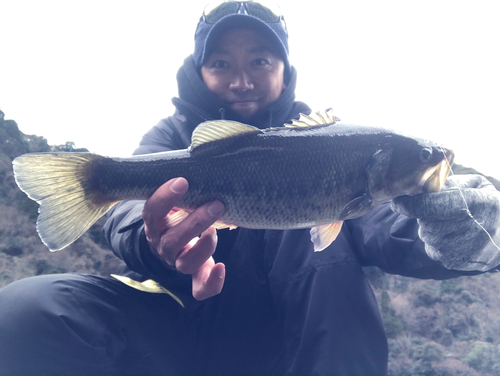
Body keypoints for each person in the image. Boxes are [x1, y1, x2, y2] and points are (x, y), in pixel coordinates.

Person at [1, 2, 500, 375]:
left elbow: (387, 224)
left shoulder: (335, 148)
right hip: (178, 329)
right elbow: (126, 214)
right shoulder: (171, 138)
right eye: (221, 63)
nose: (241, 79)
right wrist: (154, 240)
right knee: (25, 313)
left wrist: (463, 228)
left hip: (298, 345)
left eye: (260, 60)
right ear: (199, 72)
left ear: (285, 71)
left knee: (323, 250)